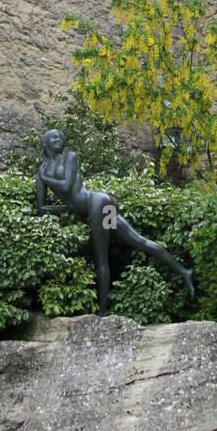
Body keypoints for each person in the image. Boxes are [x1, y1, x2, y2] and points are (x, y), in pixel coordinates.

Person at [36, 128, 195, 314]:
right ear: (45, 143)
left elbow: (66, 186)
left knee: (101, 257)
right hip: (100, 209)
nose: (59, 138)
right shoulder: (43, 169)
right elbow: (42, 207)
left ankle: (103, 312)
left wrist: (45, 178)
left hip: (98, 202)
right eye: (53, 136)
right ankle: (184, 272)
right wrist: (66, 208)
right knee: (137, 240)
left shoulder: (69, 157)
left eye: (60, 136)